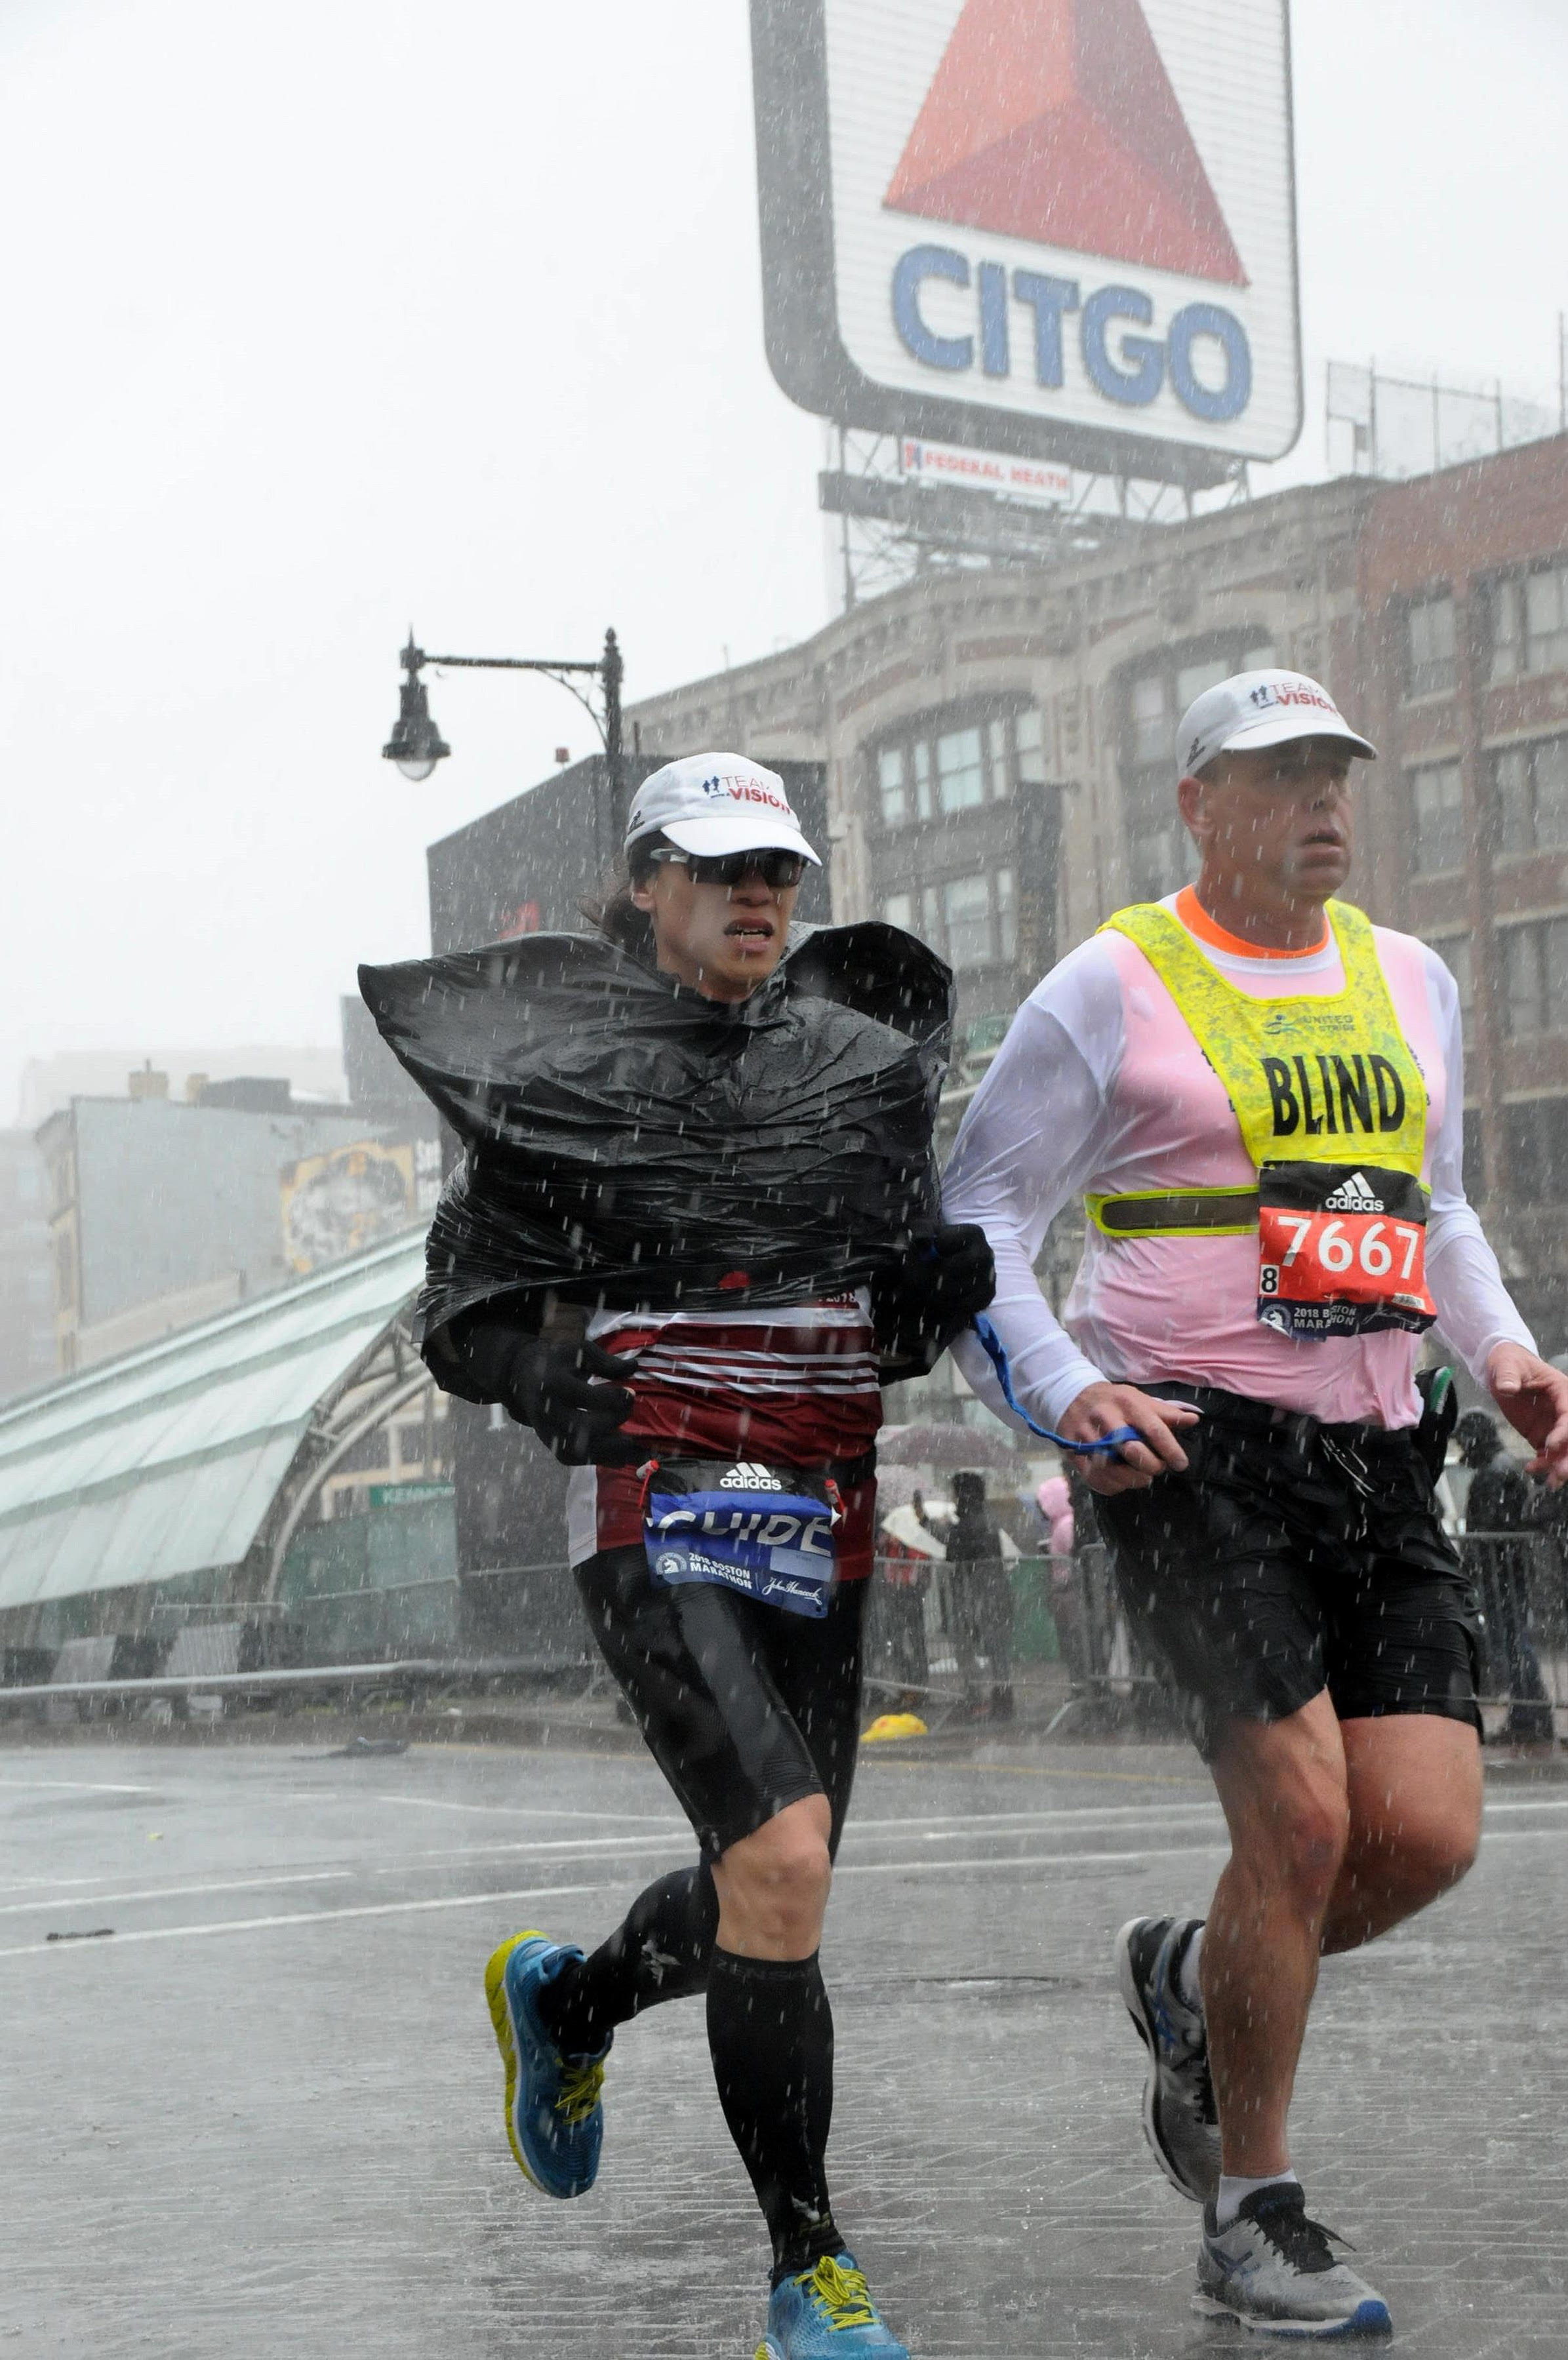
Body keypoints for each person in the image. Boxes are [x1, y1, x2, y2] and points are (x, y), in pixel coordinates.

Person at [942, 667, 1568, 2338]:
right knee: (1294, 1827)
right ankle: (1251, 2207)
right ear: (1194, 803)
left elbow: (1428, 1206)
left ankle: (1181, 1979)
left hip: (1379, 1448)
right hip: (1191, 1451)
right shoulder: (1109, 984)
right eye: (1279, 774)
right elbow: (979, 1211)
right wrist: (1063, 1387)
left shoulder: (1409, 977)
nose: (1324, 805)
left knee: (1420, 1833)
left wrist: (1500, 1351)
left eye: (1334, 774)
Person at [363, 752, 994, 2360]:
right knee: (779, 1864)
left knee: (767, 1889)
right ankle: (810, 2265)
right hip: (659, 1501)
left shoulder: (858, 1066)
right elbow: (459, 1305)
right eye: (720, 868)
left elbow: (878, 1289)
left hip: (828, 1500)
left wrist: (922, 1302)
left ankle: (569, 2004)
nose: (757, 894)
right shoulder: (560, 1070)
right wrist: (527, 1368)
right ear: (647, 884)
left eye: (777, 866)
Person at [1456, 1409, 1556, 1745]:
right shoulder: (1505, 1466)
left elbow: (1487, 1529)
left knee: (1513, 1645)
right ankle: (1529, 1716)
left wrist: (1473, 1565)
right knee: (1514, 1644)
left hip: (1501, 1575)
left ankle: (1530, 1718)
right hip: (1508, 1572)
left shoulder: (1493, 1474)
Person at [945, 1469, 1014, 1719]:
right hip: (993, 1594)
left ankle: (976, 1700)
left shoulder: (966, 1525)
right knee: (998, 1651)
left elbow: (954, 1559)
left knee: (968, 1649)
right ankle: (1003, 1699)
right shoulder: (987, 1520)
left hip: (975, 1596)